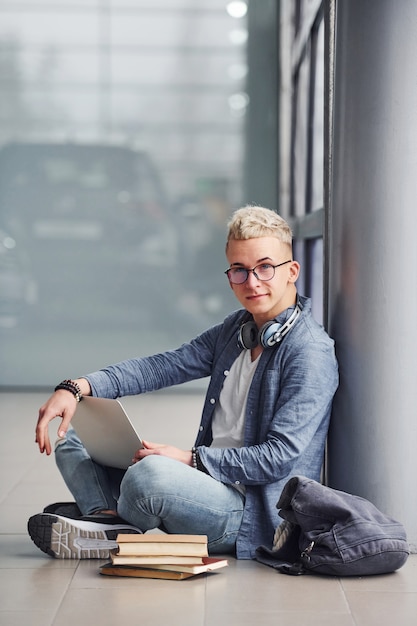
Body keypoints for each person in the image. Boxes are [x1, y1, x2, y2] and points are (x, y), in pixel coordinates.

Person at [28, 205, 339, 560]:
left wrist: (189, 460)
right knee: (77, 433)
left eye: (265, 267)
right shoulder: (236, 331)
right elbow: (161, 367)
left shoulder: (309, 352)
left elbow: (277, 459)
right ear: (229, 275)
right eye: (240, 270)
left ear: (291, 271)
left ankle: (104, 515)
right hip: (204, 485)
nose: (252, 282)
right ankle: (108, 523)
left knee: (150, 477)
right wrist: (76, 388)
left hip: (246, 515)